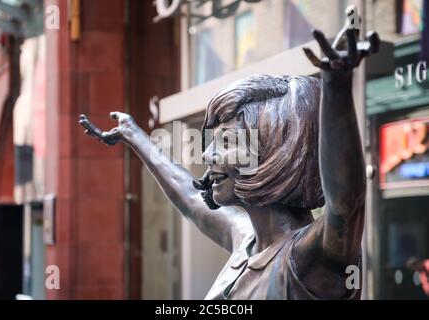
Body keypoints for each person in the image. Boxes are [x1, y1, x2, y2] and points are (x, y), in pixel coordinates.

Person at [79, 9, 379, 299]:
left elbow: (346, 205)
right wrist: (135, 136)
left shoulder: (309, 259)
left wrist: (336, 88)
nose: (208, 155)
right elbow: (190, 197)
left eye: (227, 141)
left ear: (277, 153)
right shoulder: (247, 241)